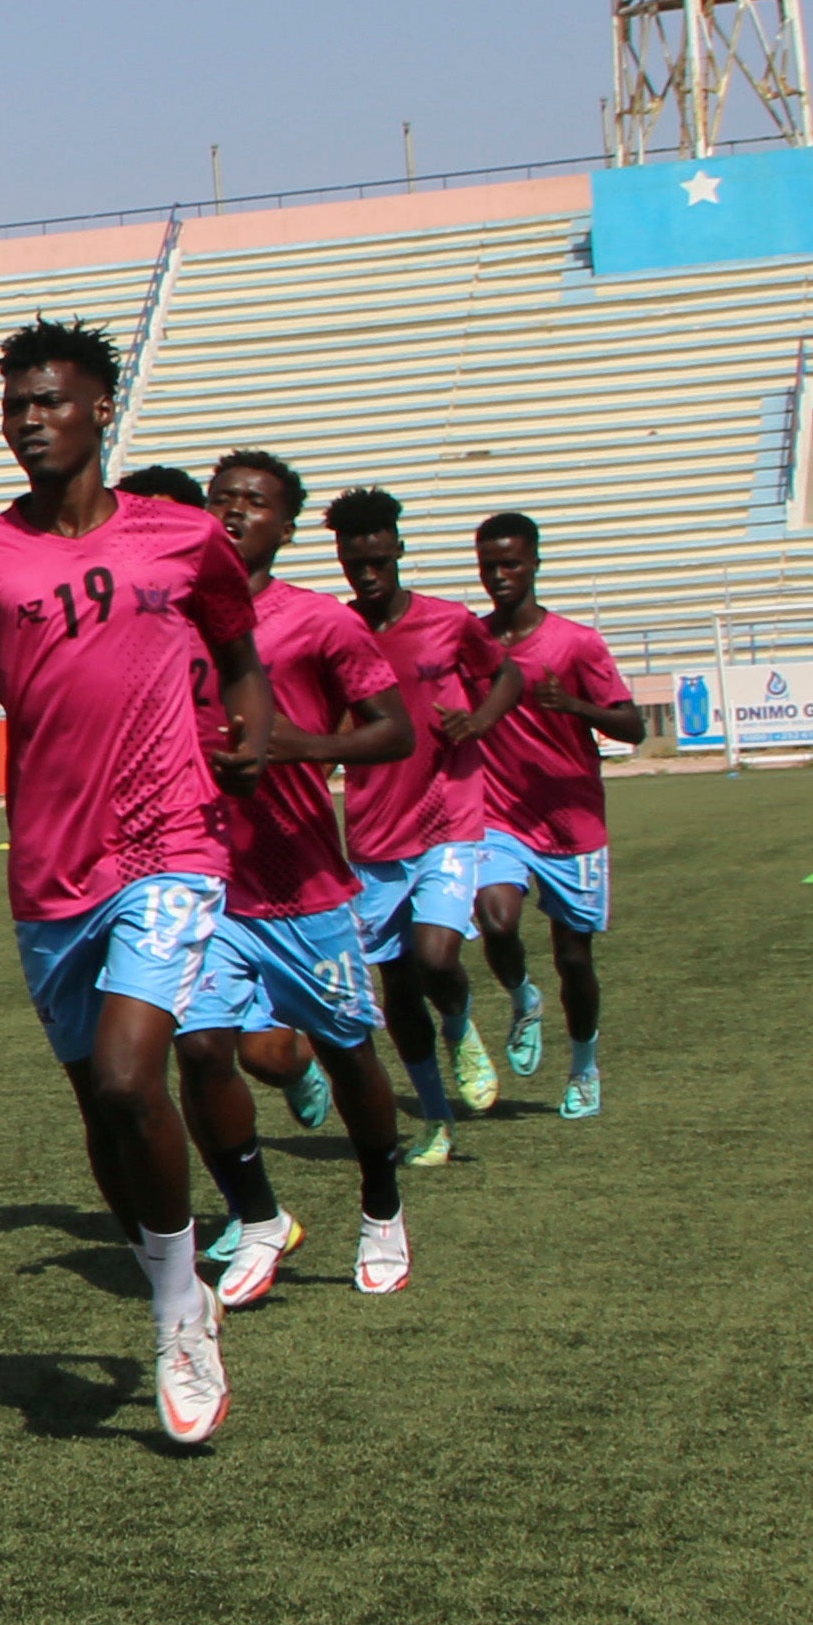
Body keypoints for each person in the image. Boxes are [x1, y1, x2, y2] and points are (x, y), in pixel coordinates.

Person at [0, 322, 266, 1444]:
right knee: (102, 1120)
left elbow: (240, 652)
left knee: (124, 1079)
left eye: (50, 402)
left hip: (170, 845)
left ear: (101, 410)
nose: (29, 421)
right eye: (16, 405)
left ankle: (175, 1314)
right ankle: (174, 1285)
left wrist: (245, 730)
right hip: (51, 868)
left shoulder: (185, 538)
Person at [179, 452, 420, 1302]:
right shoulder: (171, 617)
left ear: (286, 526)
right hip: (204, 882)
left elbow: (394, 733)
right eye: (222, 500)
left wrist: (304, 747)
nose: (235, 512)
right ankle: (257, 1217)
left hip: (306, 887)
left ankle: (382, 1206)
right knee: (200, 1046)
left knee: (353, 1054)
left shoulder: (320, 623)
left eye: (254, 502)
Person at [440, 511, 646, 1119]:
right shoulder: (470, 643)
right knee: (496, 920)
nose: (499, 575)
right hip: (498, 815)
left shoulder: (576, 642)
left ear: (534, 563)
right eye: (488, 566)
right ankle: (523, 997)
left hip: (571, 821)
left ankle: (584, 1066)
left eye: (510, 563)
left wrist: (574, 704)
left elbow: (632, 727)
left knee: (574, 957)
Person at [320, 486, 501, 1166]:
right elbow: (328, 720)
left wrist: (477, 721)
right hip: (372, 836)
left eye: (376, 559)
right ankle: (434, 1121)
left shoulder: (449, 622)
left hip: (448, 818)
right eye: (353, 561)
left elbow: (502, 675)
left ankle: (459, 1026)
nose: (366, 573)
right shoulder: (335, 632)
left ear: (397, 549)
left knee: (435, 957)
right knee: (396, 990)